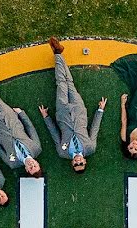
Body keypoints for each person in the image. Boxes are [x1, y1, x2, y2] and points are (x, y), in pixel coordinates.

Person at [38, 37, 106, 173]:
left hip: (62, 114)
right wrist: (100, 110)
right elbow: (94, 129)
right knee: (69, 83)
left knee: (61, 84)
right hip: (79, 111)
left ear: (72, 164)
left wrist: (46, 117)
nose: (78, 161)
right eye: (81, 163)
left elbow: (54, 134)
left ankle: (58, 54)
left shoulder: (62, 152)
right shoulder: (90, 148)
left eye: (76, 164)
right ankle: (58, 53)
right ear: (85, 161)